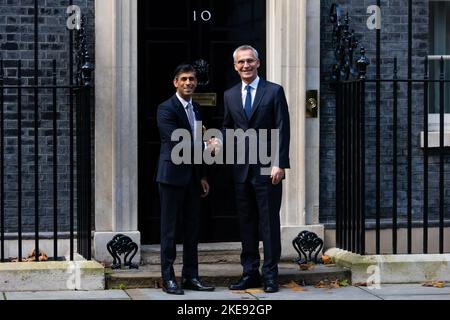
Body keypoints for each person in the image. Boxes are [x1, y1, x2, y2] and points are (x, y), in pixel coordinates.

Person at [223, 45, 290, 293]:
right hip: (241, 169)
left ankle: (270, 275)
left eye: (250, 61)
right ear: (235, 66)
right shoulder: (230, 95)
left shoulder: (273, 91)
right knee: (247, 222)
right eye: (241, 62)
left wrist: (279, 163)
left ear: (258, 63)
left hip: (267, 168)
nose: (246, 66)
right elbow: (228, 127)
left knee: (269, 223)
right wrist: (218, 140)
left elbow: (283, 127)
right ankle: (249, 273)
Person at [156, 64, 215, 295]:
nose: (188, 83)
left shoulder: (197, 108)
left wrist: (201, 176)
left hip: (192, 178)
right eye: (184, 79)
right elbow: (176, 143)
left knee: (192, 230)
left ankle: (191, 276)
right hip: (171, 177)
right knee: (169, 230)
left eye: (192, 79)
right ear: (175, 82)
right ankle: (168, 278)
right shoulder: (166, 108)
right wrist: (205, 145)